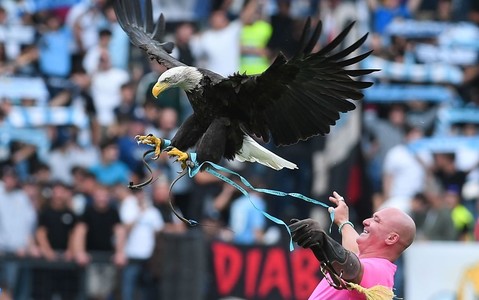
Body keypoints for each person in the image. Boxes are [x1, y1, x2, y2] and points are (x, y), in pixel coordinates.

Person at [289, 191, 416, 299]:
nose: (366, 221)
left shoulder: (380, 271)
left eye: (376, 220)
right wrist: (343, 221)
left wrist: (323, 241)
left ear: (391, 238)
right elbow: (353, 249)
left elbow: (350, 268)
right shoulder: (366, 257)